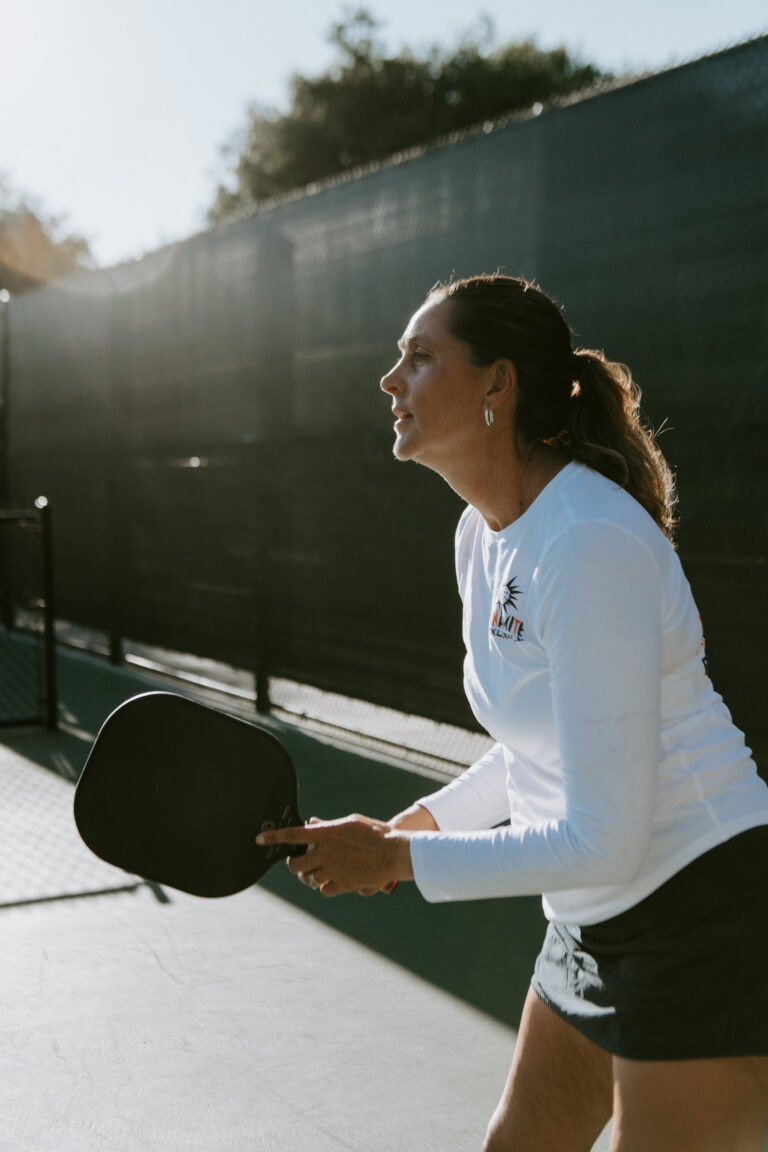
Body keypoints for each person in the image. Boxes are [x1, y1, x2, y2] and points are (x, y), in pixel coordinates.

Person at [257, 273, 768, 1151]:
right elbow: (531, 747)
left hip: (703, 913)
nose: (391, 381)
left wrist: (398, 858)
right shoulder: (480, 536)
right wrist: (410, 826)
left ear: (498, 385)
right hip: (591, 916)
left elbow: (606, 835)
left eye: (420, 359)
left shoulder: (590, 541)